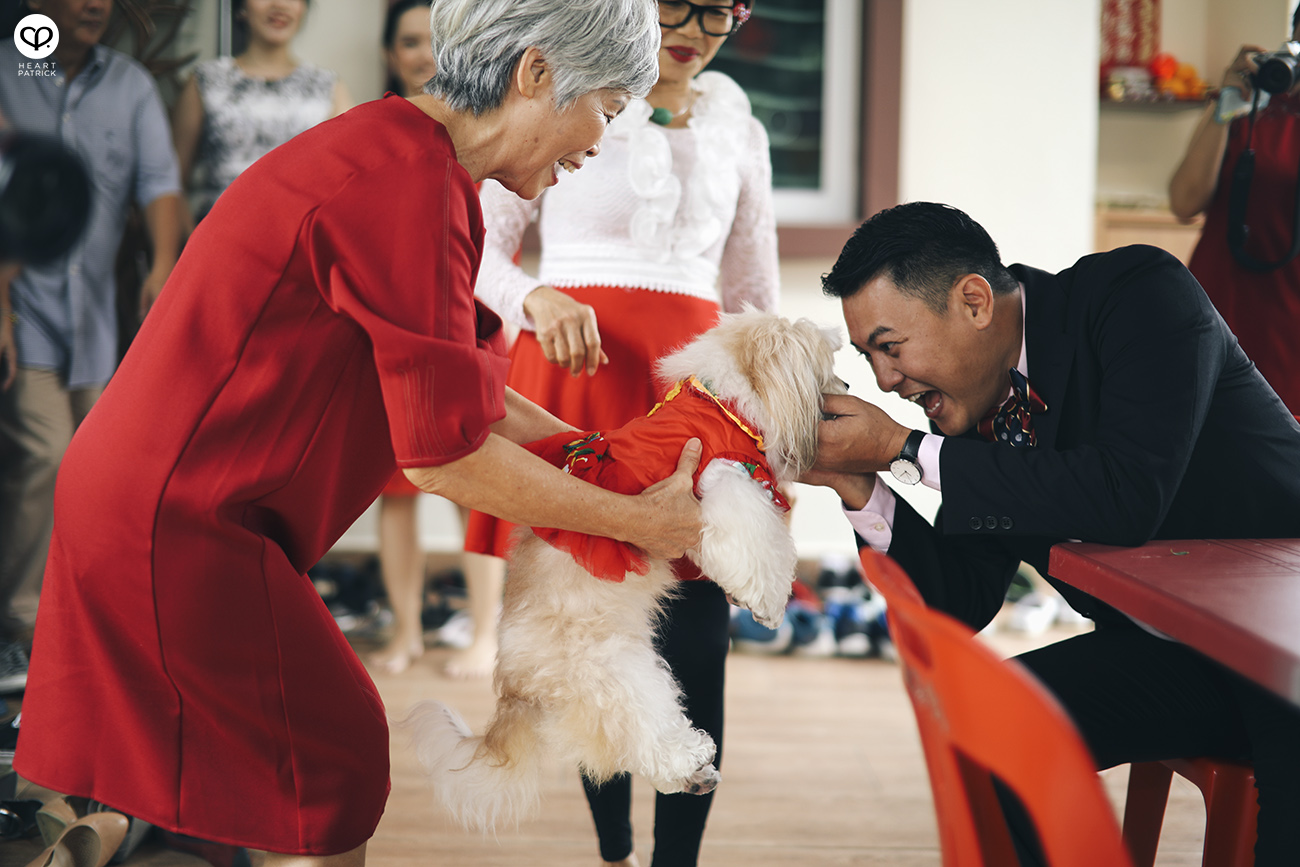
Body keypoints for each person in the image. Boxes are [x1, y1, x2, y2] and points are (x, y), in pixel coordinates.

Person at [13, 4, 702, 867]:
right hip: (180, 517)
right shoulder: (406, 186)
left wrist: (612, 461)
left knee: (247, 768)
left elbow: (469, 395)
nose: (601, 141)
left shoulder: (411, 162)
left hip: (163, 499)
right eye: (605, 106)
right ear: (535, 74)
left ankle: (95, 834)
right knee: (327, 759)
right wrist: (641, 523)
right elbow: (444, 455)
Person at [806, 202, 1300, 867]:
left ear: (974, 301)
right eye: (869, 358)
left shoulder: (1138, 292)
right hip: (1172, 654)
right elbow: (955, 599)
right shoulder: (978, 407)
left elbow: (1127, 497)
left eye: (890, 347)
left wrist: (901, 447)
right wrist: (858, 482)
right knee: (988, 737)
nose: (886, 381)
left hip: (1283, 639)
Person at [466, 1, 774, 862]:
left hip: (697, 400)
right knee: (592, 635)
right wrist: (531, 295)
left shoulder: (737, 119)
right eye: (679, 2)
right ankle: (612, 850)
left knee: (697, 635)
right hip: (575, 380)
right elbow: (475, 250)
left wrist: (771, 423)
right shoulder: (569, 93)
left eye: (723, 9)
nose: (698, 25)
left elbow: (753, 291)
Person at [0, 0, 182, 689]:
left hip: (98, 321)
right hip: (23, 312)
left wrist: (163, 263)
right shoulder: (6, 71)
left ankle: (83, 628)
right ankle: (21, 628)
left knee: (97, 473)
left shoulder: (130, 85)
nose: (92, 4)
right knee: (43, 454)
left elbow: (161, 184)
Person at [1169, 7, 1300, 413]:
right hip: (1219, 310)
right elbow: (1185, 201)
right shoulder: (1250, 106)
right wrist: (1226, 103)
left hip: (1290, 331)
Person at [170, 0, 351, 227]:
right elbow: (171, 184)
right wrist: (193, 244)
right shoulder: (205, 81)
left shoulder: (329, 87)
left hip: (301, 246)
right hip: (220, 241)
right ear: (241, 6)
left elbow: (349, 186)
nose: (280, 5)